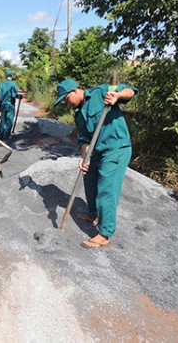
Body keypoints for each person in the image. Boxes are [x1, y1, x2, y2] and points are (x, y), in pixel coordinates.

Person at [53, 78, 139, 249]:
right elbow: (84, 139)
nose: (65, 102)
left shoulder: (101, 92)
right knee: (89, 177)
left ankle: (105, 233)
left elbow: (131, 90)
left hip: (115, 148)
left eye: (66, 98)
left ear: (75, 91)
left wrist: (117, 95)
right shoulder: (78, 113)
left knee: (107, 188)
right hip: (97, 150)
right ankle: (94, 214)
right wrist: (85, 158)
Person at [0, 70, 22, 141]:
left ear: (5, 76)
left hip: (2, 105)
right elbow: (14, 95)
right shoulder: (13, 84)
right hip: (10, 105)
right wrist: (19, 96)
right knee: (9, 121)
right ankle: (6, 137)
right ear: (12, 76)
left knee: (3, 120)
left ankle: (1, 135)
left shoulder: (1, 85)